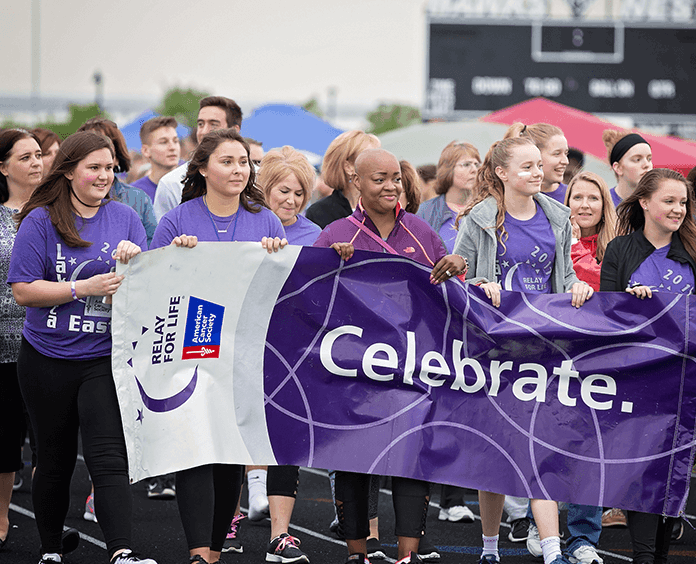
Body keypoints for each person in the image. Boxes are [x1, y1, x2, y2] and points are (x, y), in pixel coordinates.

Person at [7, 130, 156, 564]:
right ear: (69, 171)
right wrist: (81, 287)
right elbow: (23, 291)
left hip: (101, 358)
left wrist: (129, 269)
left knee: (108, 455)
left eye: (109, 168)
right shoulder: (40, 220)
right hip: (46, 358)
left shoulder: (126, 219)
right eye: (93, 167)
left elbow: (136, 295)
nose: (104, 175)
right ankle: (50, 549)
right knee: (53, 458)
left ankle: (121, 551)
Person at [315, 148, 467, 564]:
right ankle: (357, 553)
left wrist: (457, 262)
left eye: (396, 178)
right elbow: (309, 297)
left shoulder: (419, 229)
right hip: (353, 370)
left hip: (412, 368)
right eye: (379, 178)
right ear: (356, 181)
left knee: (411, 459)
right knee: (351, 462)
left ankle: (406, 554)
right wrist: (331, 265)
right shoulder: (335, 232)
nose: (390, 186)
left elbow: (451, 287)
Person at [453, 137, 593, 564]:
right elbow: (455, 279)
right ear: (501, 173)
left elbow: (564, 277)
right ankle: (490, 547)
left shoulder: (557, 216)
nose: (539, 173)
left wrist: (578, 287)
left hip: (543, 348)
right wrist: (479, 284)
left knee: (541, 445)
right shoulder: (478, 219)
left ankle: (553, 549)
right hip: (492, 351)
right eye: (528, 167)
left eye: (539, 166)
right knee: (493, 454)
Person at [150, 129, 287, 564]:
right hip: (190, 352)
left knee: (230, 456)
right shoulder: (178, 220)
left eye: (244, 162)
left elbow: (281, 291)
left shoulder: (267, 220)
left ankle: (213, 548)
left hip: (244, 356)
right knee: (195, 451)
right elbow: (153, 285)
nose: (238, 169)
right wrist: (174, 255)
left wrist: (276, 256)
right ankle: (198, 553)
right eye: (227, 161)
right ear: (203, 169)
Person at [600, 167, 696, 564]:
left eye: (683, 202)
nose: (679, 209)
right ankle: (642, 556)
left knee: (673, 473)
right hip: (636, 379)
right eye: (670, 201)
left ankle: (655, 553)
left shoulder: (692, 251)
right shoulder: (621, 250)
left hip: (685, 382)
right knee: (641, 469)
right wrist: (629, 302)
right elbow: (603, 319)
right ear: (644, 202)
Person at [0, 129, 43, 551]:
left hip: (49, 341)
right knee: (5, 440)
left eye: (38, 154)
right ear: (3, 166)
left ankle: (46, 526)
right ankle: (0, 521)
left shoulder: (56, 212)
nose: (36, 162)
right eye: (25, 156)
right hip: (2, 344)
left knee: (50, 440)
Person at [153, 96, 243, 220]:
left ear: (234, 131)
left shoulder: (258, 180)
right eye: (200, 124)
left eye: (214, 124)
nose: (204, 131)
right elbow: (164, 236)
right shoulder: (172, 184)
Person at [77, 118, 158, 247]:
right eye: (91, 148)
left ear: (116, 157)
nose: (100, 152)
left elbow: (153, 247)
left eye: (107, 147)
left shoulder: (137, 199)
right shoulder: (66, 200)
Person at [305, 130, 380, 229]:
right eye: (370, 158)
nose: (379, 164)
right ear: (348, 167)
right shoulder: (319, 213)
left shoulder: (388, 206)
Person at [416, 141, 481, 253]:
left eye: (477, 164)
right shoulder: (426, 212)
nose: (474, 170)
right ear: (448, 170)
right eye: (466, 164)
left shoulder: (487, 209)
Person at [565, 171, 617, 291]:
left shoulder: (619, 245)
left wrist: (574, 244)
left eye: (593, 198)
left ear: (604, 206)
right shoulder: (554, 240)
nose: (584, 205)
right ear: (568, 203)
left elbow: (602, 283)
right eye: (577, 197)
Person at [258, 145, 320, 246]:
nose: (291, 200)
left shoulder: (314, 235)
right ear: (264, 188)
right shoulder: (245, 224)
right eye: (284, 191)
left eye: (298, 194)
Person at [505, 123, 569, 204]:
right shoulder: (507, 198)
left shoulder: (572, 195)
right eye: (557, 154)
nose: (566, 161)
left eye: (566, 153)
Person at [132, 116, 181, 203]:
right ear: (146, 151)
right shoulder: (134, 194)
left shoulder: (194, 186)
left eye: (176, 141)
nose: (172, 147)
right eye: (163, 142)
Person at [601, 130, 652, 207]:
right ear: (618, 168)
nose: (646, 165)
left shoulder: (657, 203)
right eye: (637, 159)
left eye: (649, 159)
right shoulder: (604, 204)